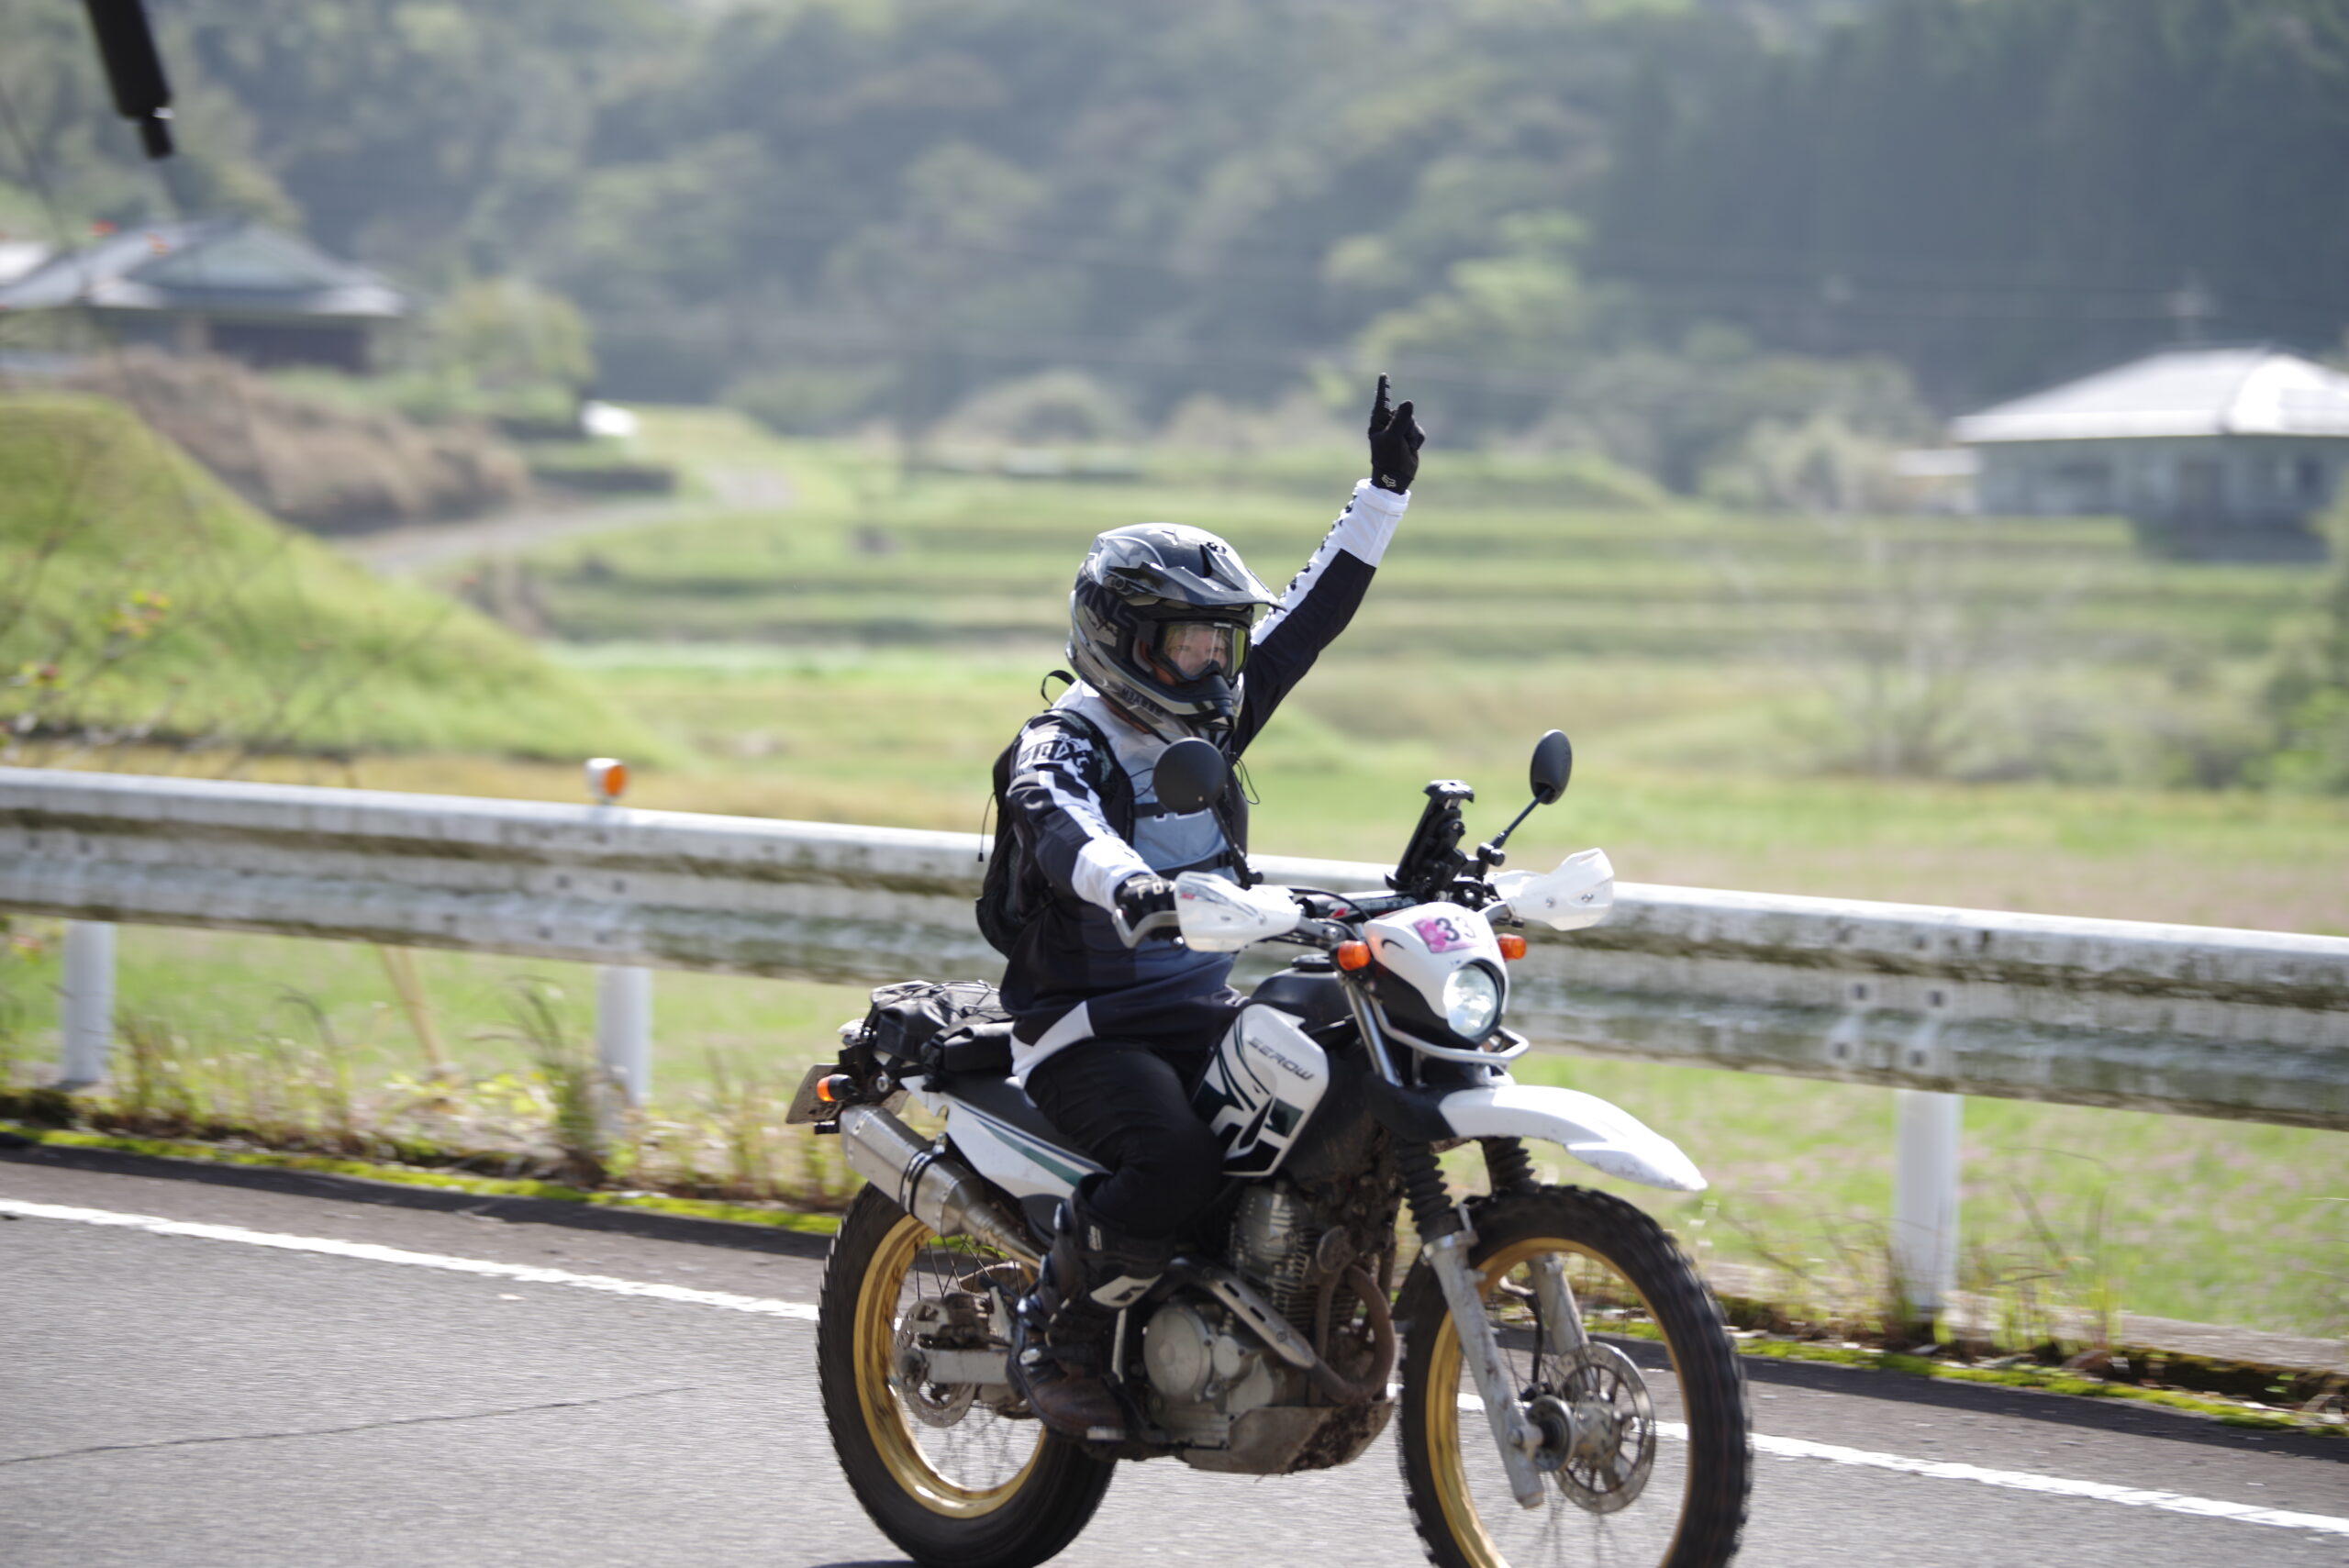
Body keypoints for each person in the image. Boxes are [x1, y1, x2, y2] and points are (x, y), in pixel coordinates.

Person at [998, 375, 1425, 1439]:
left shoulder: (1207, 723)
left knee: (1327, 1083)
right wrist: (1131, 885)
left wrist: (1383, 492)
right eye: (1188, 641)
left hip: (1193, 1008)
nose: (1211, 661)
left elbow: (1305, 622)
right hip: (1086, 1027)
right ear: (1119, 636)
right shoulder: (1063, 741)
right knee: (1176, 1159)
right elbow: (1063, 827)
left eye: (1217, 641)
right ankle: (1054, 1329)